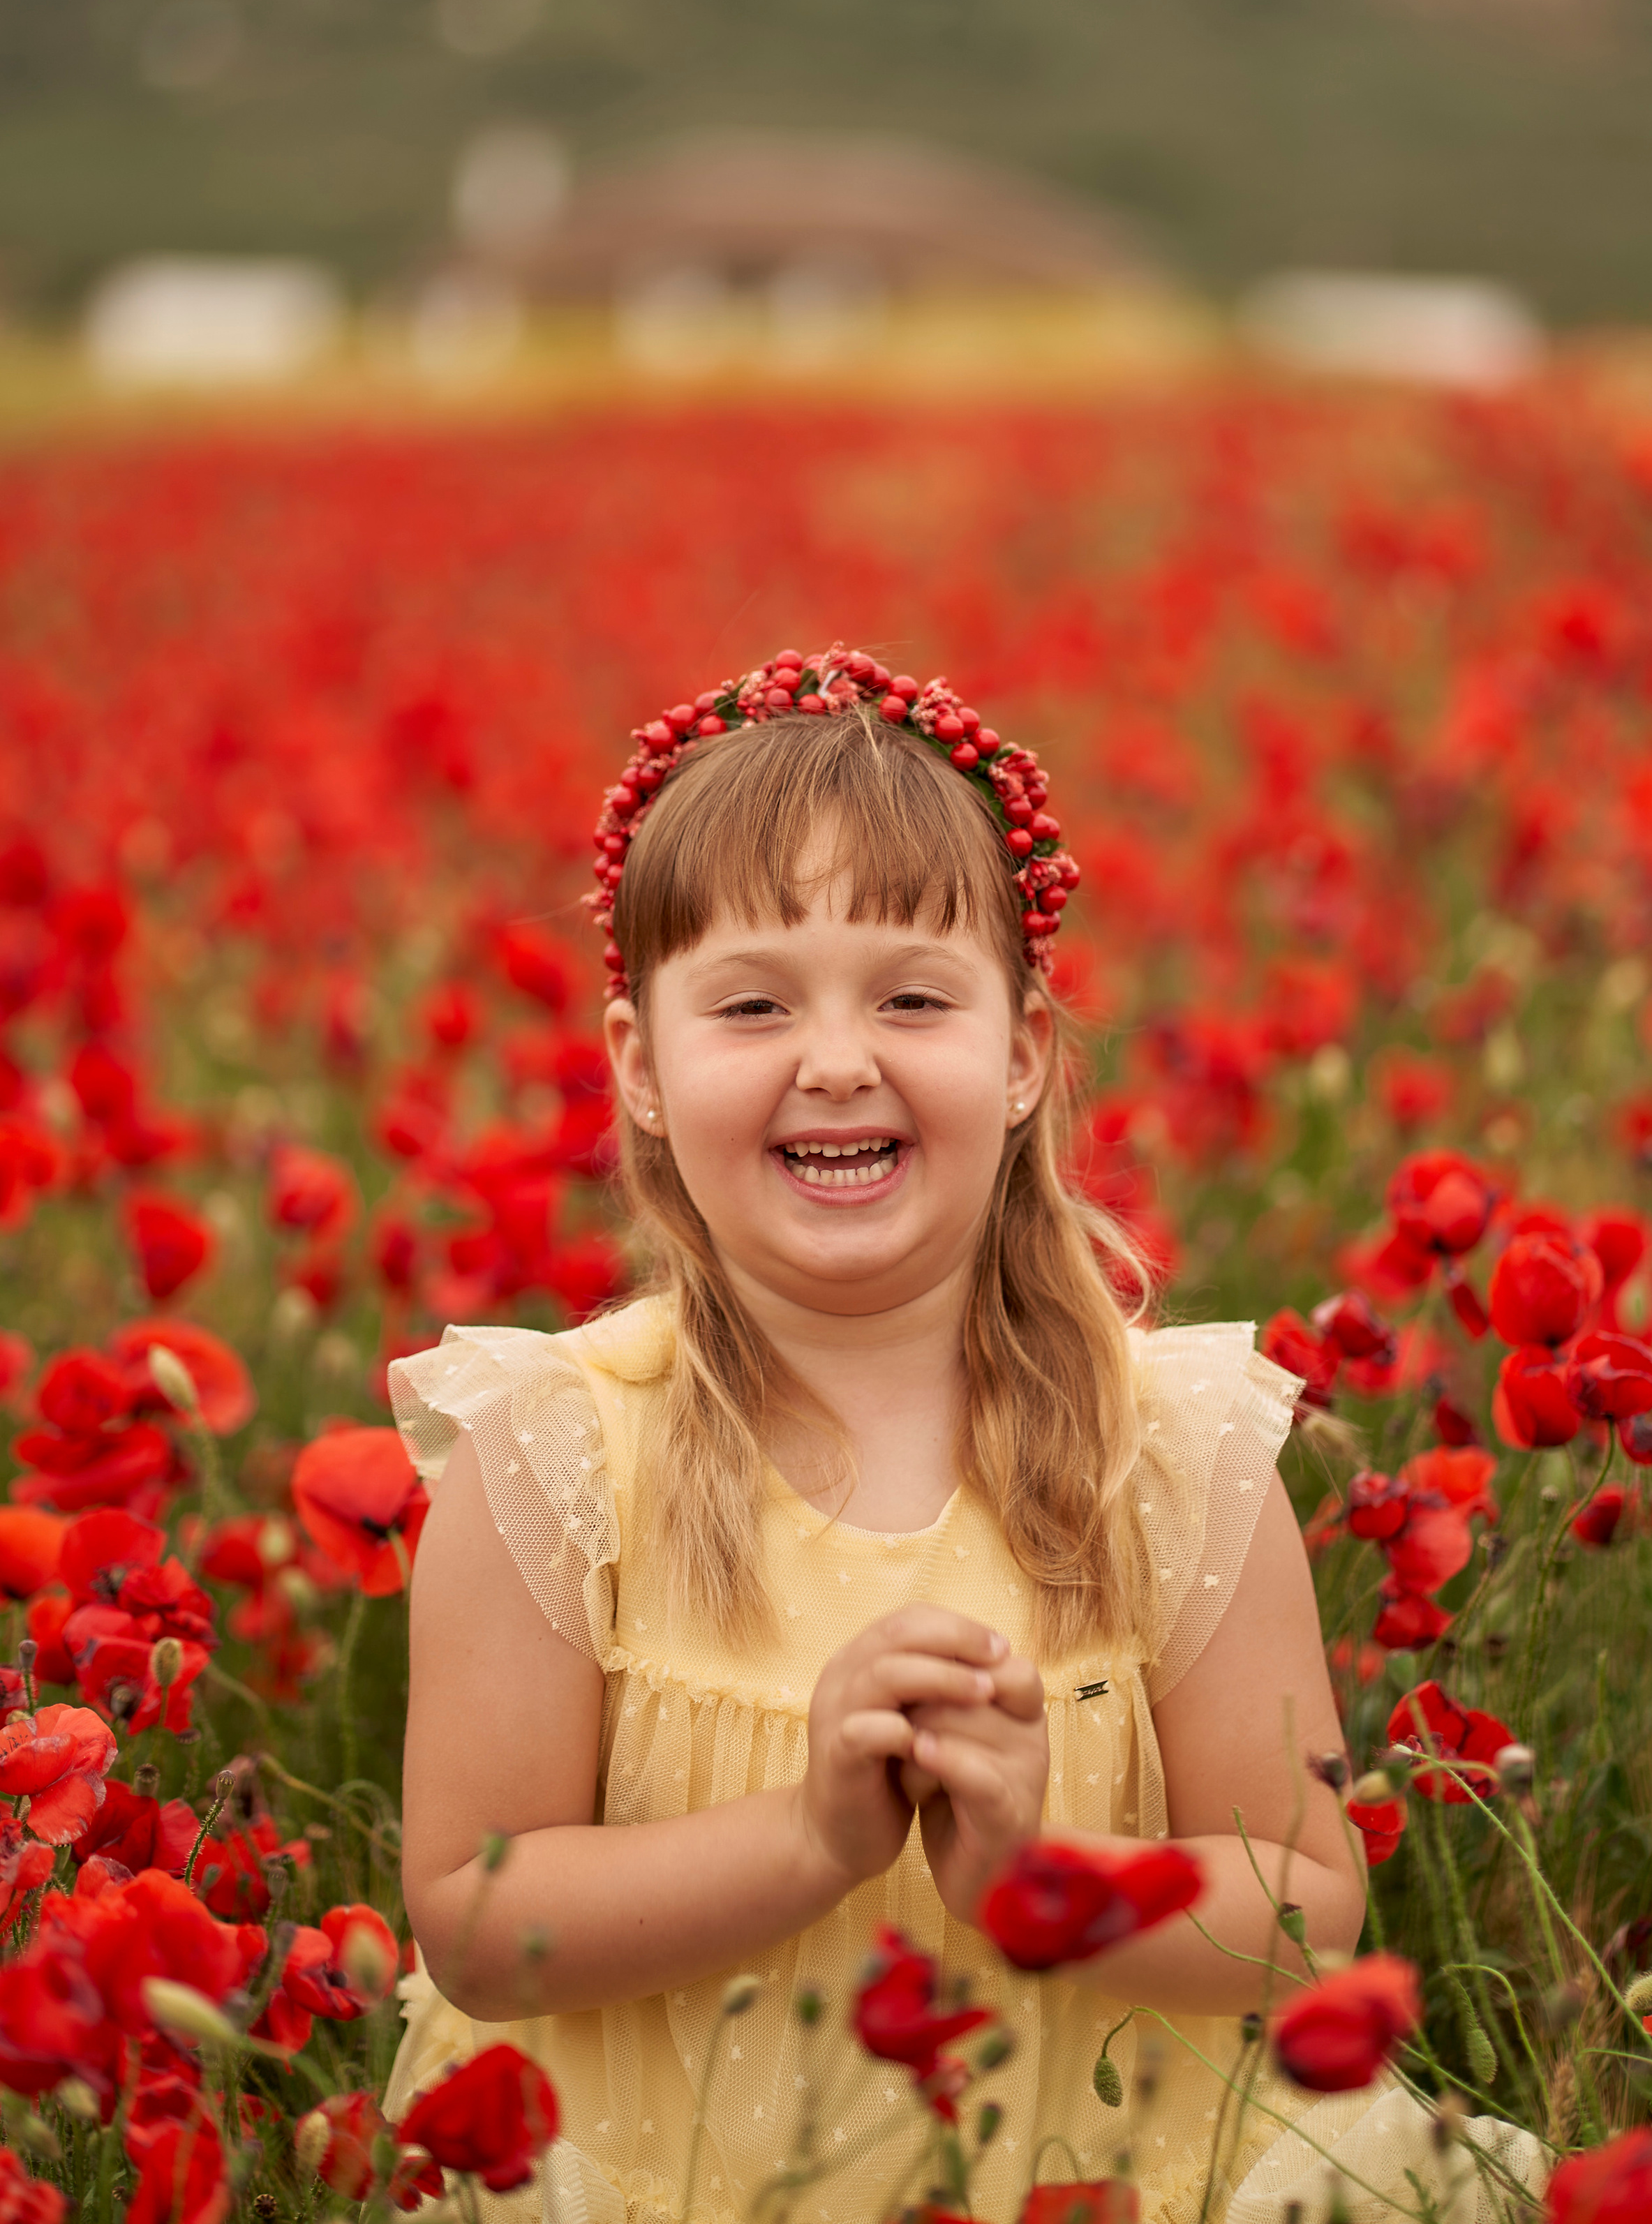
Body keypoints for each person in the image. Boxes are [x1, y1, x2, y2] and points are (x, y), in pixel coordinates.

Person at [389, 645, 1535, 2224]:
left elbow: (1303, 1901)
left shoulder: (1168, 1452)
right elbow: (472, 1918)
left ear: (1021, 1059)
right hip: (665, 2172)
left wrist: (1029, 1886)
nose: (837, 1060)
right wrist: (811, 1838)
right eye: (752, 1005)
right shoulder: (559, 1454)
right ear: (640, 1069)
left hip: (1116, 2166)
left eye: (914, 999)